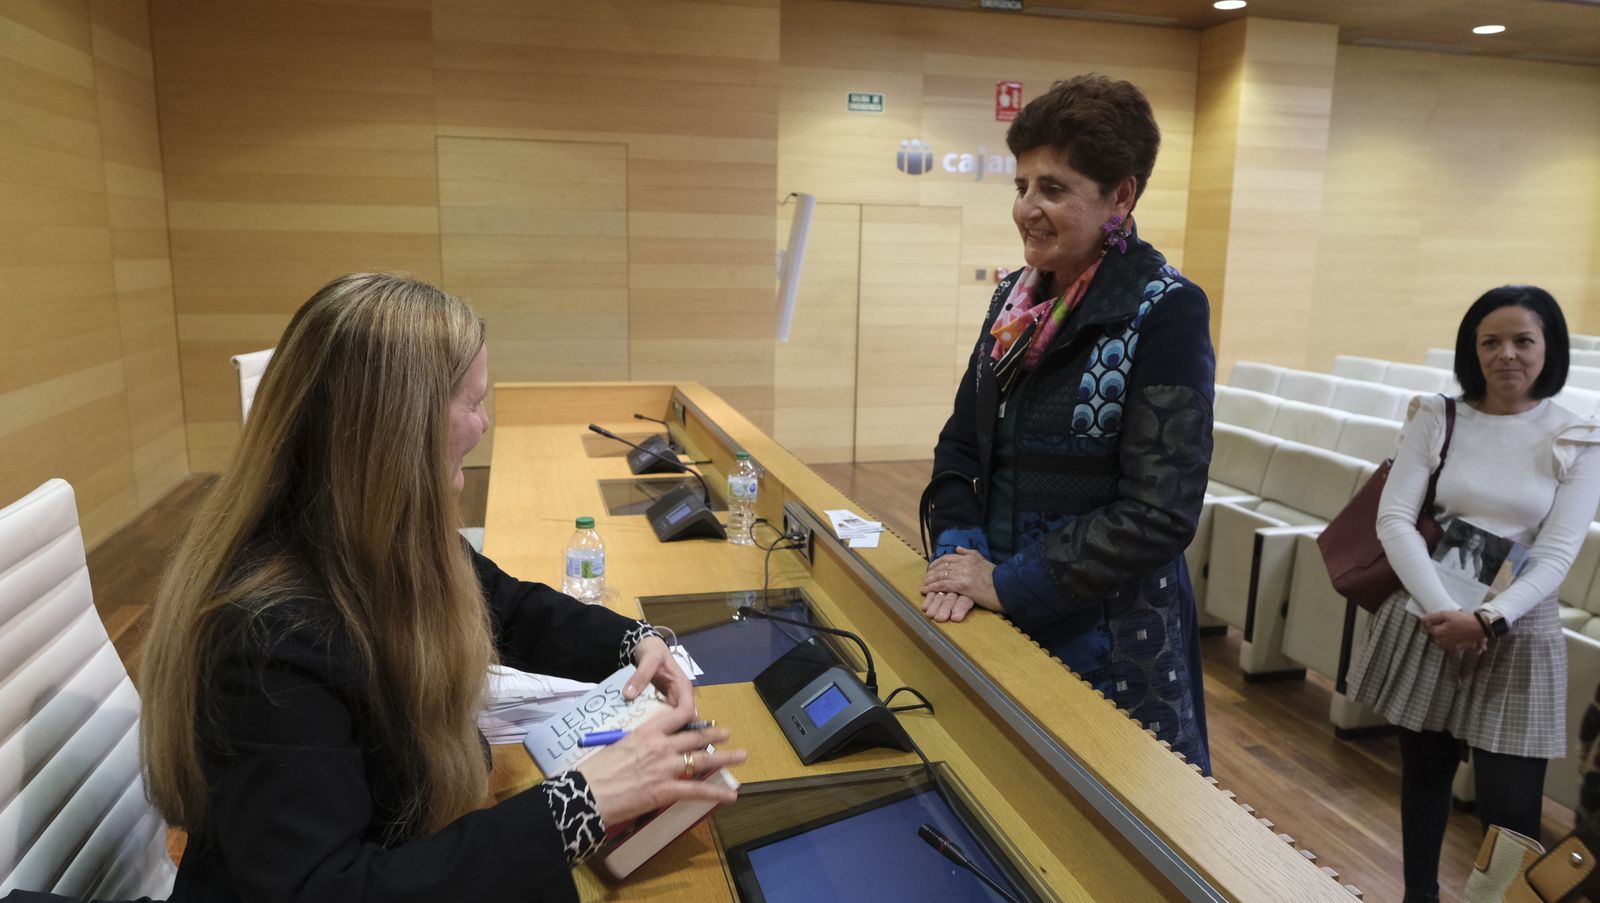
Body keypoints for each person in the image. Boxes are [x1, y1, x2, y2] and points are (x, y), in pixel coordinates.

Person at [135, 273, 745, 902]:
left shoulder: (372, 536)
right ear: (398, 427)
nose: (483, 426)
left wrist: (636, 644)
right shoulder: (270, 640)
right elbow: (324, 890)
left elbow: (505, 605)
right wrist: (579, 805)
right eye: (471, 402)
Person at [917, 75, 1216, 773]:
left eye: (1053, 189)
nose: (1026, 209)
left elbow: (1159, 511)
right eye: (1022, 186)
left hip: (1107, 643)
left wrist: (1009, 582)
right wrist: (957, 560)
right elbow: (962, 443)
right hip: (988, 605)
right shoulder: (1012, 300)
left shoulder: (1165, 308)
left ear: (1121, 196)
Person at [1345, 285, 1600, 903]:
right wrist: (1446, 613)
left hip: (1518, 629)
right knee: (1424, 781)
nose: (1506, 354)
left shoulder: (1577, 435)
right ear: (1472, 349)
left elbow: (1558, 551)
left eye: (1523, 341)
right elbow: (1394, 519)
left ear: (1549, 349)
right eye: (1490, 342)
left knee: (1511, 812)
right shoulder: (1438, 416)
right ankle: (1419, 897)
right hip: (1433, 614)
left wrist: (1488, 620)